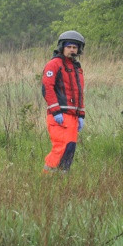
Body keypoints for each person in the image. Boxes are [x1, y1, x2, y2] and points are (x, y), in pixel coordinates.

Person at [41, 30, 86, 173]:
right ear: (62, 47)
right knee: (60, 147)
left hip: (73, 116)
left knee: (70, 149)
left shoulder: (77, 68)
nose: (72, 50)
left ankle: (61, 181)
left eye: (75, 47)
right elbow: (47, 88)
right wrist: (55, 111)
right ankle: (47, 178)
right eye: (69, 47)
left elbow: (79, 93)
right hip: (59, 115)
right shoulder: (54, 64)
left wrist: (81, 115)